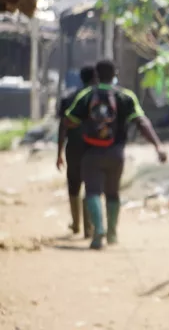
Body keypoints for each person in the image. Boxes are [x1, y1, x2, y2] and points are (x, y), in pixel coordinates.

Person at [65, 60, 167, 250]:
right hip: (116, 153)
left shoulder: (86, 96)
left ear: (96, 75)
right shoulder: (125, 96)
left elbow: (69, 120)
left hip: (91, 153)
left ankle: (98, 230)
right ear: (115, 74)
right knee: (112, 193)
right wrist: (158, 146)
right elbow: (142, 121)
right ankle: (112, 233)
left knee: (93, 192)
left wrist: (86, 125)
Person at [56, 66, 97, 238]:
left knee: (74, 183)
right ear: (95, 78)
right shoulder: (99, 97)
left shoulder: (68, 97)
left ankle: (75, 224)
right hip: (93, 147)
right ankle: (89, 228)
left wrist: (59, 152)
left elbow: (63, 126)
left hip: (73, 146)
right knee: (91, 185)